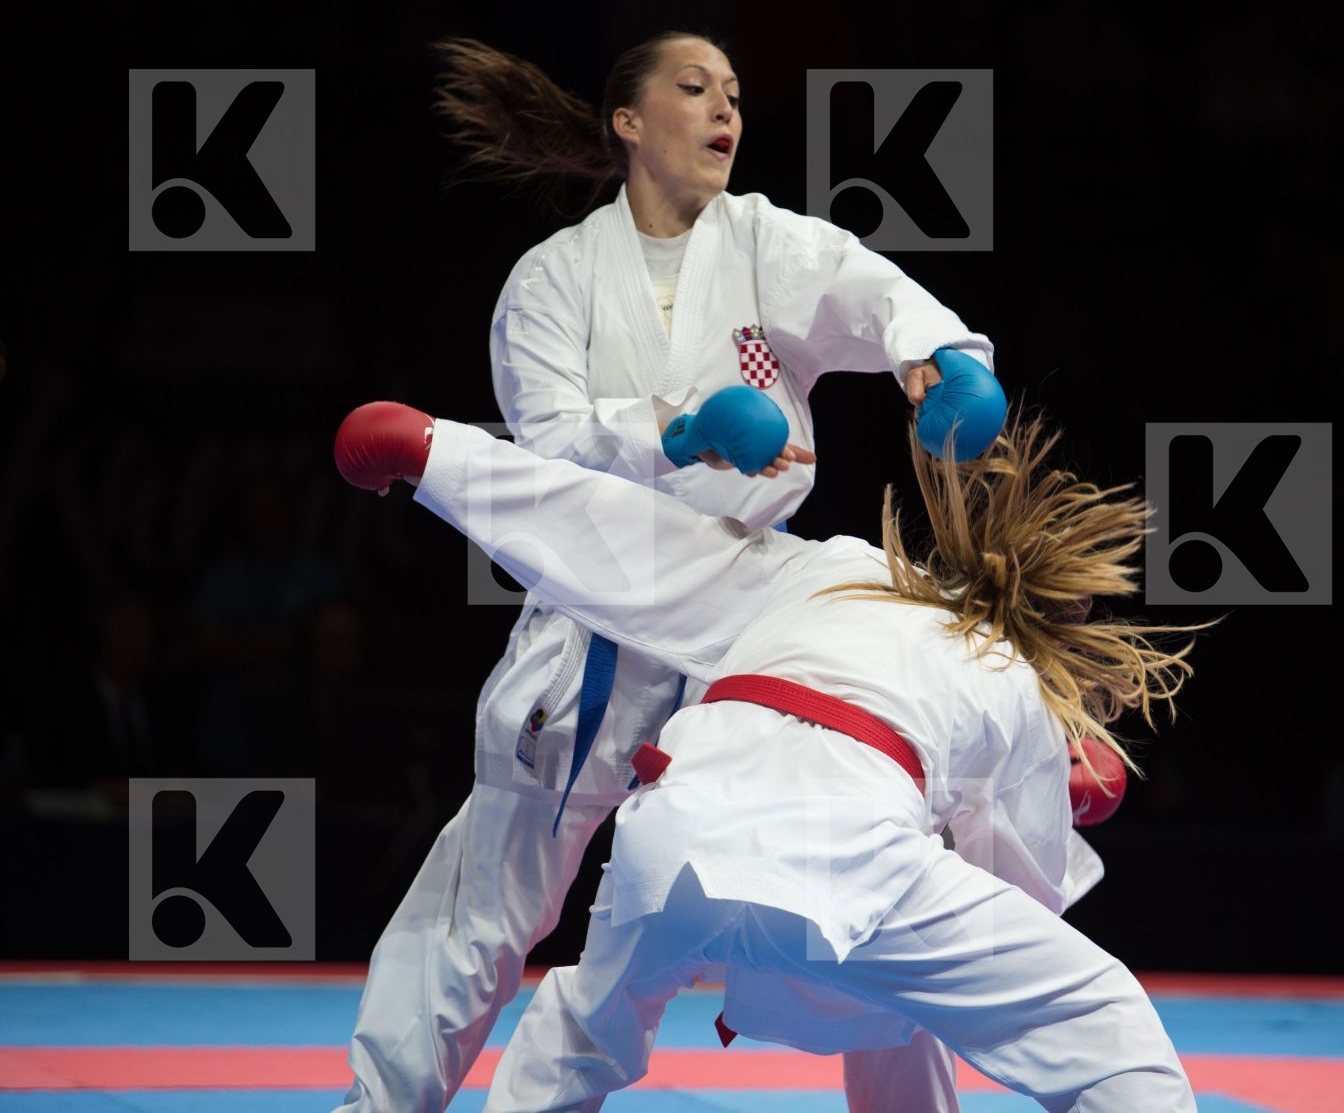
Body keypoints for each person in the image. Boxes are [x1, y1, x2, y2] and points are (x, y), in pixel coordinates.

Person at [335, 31, 1003, 1113]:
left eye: (735, 93)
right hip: (599, 612)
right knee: (482, 914)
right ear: (630, 124)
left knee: (867, 871)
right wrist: (680, 434)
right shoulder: (552, 278)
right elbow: (545, 445)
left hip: (744, 621)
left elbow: (864, 286)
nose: (724, 110)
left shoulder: (762, 243)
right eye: (693, 90)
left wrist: (937, 355)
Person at [335, 395, 1204, 1112]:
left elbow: (618, 534)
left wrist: (436, 453)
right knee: (1099, 1024)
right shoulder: (1013, 678)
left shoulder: (829, 567)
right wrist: (1060, 787)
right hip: (852, 855)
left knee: (578, 1034)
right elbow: (1015, 888)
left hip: (671, 833)